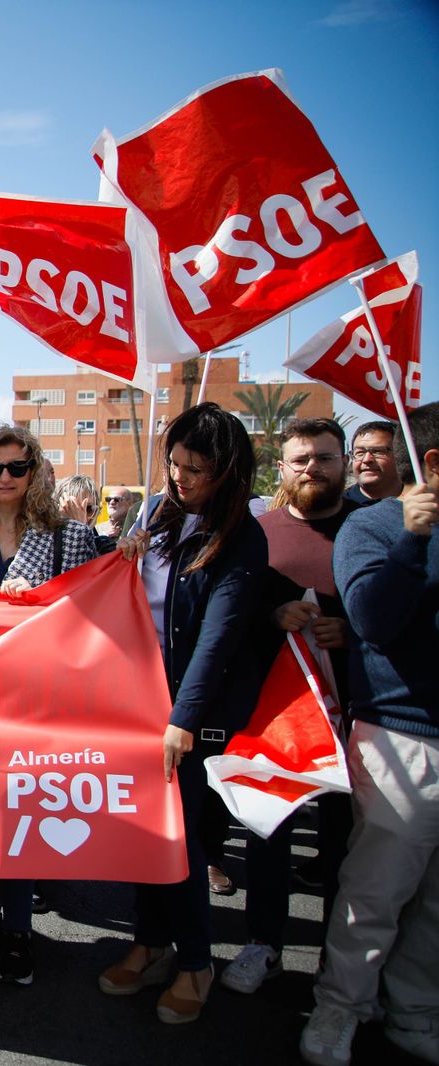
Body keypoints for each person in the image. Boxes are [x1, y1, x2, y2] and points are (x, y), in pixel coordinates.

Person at [100, 402, 268, 1025]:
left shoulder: (242, 536)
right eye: (173, 464)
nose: (180, 478)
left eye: (195, 468)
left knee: (185, 842)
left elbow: (218, 638)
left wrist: (184, 719)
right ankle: (149, 944)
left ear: (226, 470)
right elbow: (132, 602)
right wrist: (124, 554)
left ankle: (197, 961)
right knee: (146, 834)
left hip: (193, 715)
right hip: (140, 702)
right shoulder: (157, 514)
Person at [300, 402, 439, 1066]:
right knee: (376, 892)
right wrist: (414, 541)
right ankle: (339, 1008)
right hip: (403, 738)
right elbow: (372, 618)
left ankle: (414, 1011)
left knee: (434, 905)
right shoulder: (376, 528)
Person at [0, 425, 98, 984]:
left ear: (34, 472)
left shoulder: (70, 537)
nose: (5, 477)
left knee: (22, 812)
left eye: (17, 467)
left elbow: (92, 611)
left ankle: (18, 930)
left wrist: (39, 607)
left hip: (40, 696)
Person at [224, 418, 356, 998]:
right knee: (267, 829)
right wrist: (273, 617)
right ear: (281, 468)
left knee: (345, 842)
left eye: (324, 458)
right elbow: (231, 615)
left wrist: (352, 631)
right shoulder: (257, 532)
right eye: (300, 459)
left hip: (355, 714)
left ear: (344, 463)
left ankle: (342, 964)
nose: (312, 469)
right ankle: (264, 943)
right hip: (274, 718)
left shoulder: (368, 528)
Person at [344, 420, 401, 505]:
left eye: (378, 451)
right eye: (360, 453)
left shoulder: (421, 505)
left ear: (400, 455)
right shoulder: (335, 510)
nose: (367, 459)